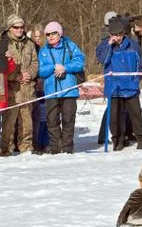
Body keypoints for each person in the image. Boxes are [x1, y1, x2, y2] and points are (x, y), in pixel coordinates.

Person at [96, 17, 142, 151]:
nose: (117, 38)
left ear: (123, 33)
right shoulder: (104, 46)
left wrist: (135, 80)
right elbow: (103, 59)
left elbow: (140, 66)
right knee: (114, 118)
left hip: (130, 87)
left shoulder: (133, 46)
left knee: (136, 114)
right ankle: (118, 140)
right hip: (114, 87)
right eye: (114, 35)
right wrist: (109, 44)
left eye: (119, 35)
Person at [38, 21, 84, 154]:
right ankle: (55, 147)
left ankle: (67, 147)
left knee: (68, 119)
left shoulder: (70, 46)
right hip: (51, 91)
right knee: (52, 120)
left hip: (69, 90)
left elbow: (80, 62)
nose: (50, 36)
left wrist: (65, 67)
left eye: (53, 33)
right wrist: (53, 67)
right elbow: (40, 70)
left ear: (59, 33)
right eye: (47, 34)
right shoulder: (43, 51)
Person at [0, 15, 38, 156]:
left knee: (27, 122)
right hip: (11, 90)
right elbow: (2, 68)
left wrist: (30, 74)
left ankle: (26, 147)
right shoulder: (3, 43)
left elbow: (35, 62)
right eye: (16, 27)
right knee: (9, 123)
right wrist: (16, 76)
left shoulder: (30, 44)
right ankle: (5, 148)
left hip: (27, 89)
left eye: (22, 27)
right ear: (10, 28)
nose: (19, 30)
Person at [30, 24, 49, 152]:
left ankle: (44, 142)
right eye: (35, 36)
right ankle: (35, 142)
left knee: (44, 115)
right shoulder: (31, 48)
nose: (37, 39)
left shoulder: (46, 49)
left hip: (45, 85)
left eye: (39, 36)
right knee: (35, 116)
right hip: (34, 85)